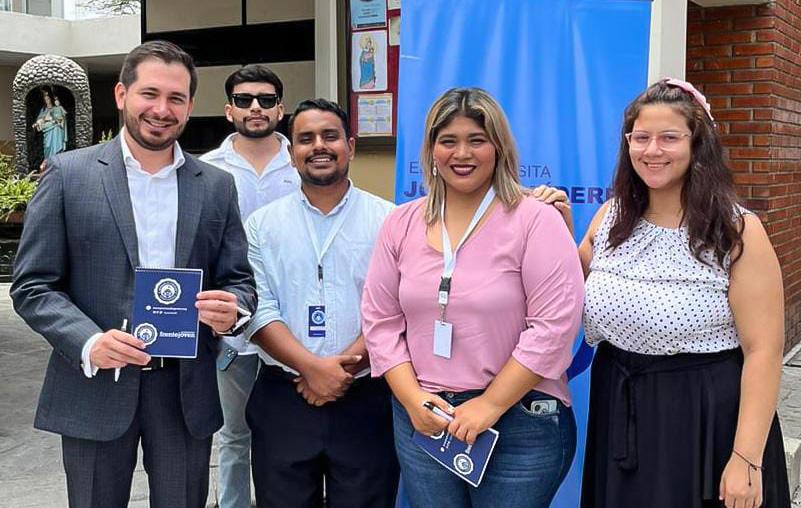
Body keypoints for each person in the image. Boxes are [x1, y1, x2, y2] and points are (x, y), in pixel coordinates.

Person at [10, 40, 257, 508]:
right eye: (150, 94)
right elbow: (34, 286)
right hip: (95, 384)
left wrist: (234, 312)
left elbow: (239, 282)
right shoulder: (68, 175)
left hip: (183, 391)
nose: (162, 109)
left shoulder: (216, 186)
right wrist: (87, 341)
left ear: (189, 106)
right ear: (122, 94)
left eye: (176, 98)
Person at [361, 87, 584, 508]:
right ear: (431, 150)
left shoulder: (535, 220)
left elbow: (554, 326)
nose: (462, 153)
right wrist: (411, 399)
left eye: (476, 140)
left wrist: (490, 404)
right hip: (425, 418)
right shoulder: (400, 223)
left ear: (498, 147)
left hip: (519, 419)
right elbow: (380, 320)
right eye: (448, 141)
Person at [578, 78, 790, 507]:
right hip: (620, 403)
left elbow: (764, 351)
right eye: (641, 137)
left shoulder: (736, 231)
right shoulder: (611, 217)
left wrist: (746, 459)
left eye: (669, 138)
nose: (652, 150)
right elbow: (570, 284)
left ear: (698, 144)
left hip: (703, 417)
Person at [244, 98, 399, 507]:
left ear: (351, 146)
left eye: (330, 136)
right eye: (305, 138)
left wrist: (339, 373)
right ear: (290, 152)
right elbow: (258, 309)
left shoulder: (391, 221)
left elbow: (396, 311)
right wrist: (312, 369)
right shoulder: (261, 225)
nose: (318, 146)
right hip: (284, 397)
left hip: (366, 398)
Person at [200, 63, 299, 508]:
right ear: (229, 110)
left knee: (293, 431)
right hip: (232, 327)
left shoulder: (302, 161)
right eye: (244, 100)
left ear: (281, 108)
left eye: (265, 99)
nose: (255, 107)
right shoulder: (205, 169)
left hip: (294, 323)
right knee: (234, 434)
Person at [33, 88, 68, 159]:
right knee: (47, 147)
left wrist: (57, 120)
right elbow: (40, 120)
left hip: (56, 131)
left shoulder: (57, 108)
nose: (47, 101)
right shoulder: (43, 110)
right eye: (45, 99)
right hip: (47, 132)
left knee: (57, 148)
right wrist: (37, 123)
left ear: (51, 99)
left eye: (48, 99)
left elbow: (62, 119)